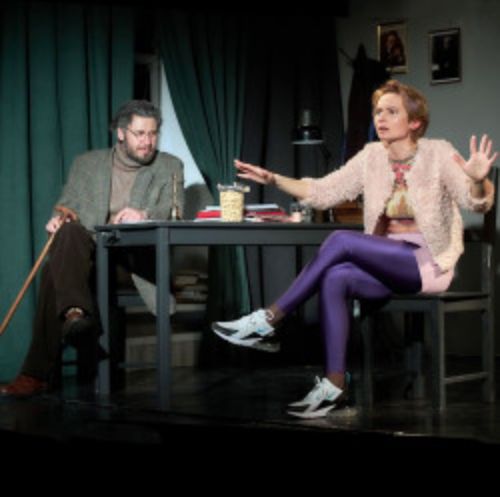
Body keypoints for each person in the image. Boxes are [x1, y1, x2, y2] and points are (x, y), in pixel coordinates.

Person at [212, 79, 496, 419]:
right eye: (378, 111)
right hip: (386, 260)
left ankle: (269, 319)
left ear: (415, 122)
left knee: (341, 240)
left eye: (392, 112)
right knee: (336, 278)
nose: (381, 118)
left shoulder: (438, 152)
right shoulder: (371, 156)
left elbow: (476, 202)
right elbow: (322, 191)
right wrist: (273, 179)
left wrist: (477, 179)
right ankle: (335, 387)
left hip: (429, 263)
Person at [0, 100, 184, 397]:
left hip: (132, 262)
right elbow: (66, 206)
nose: (147, 141)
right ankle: (75, 314)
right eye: (139, 133)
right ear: (121, 133)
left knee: (52, 273)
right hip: (89, 256)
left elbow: (175, 210)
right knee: (69, 231)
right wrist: (57, 218)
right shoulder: (87, 163)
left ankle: (39, 370)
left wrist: (144, 214)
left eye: (153, 134)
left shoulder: (169, 165)